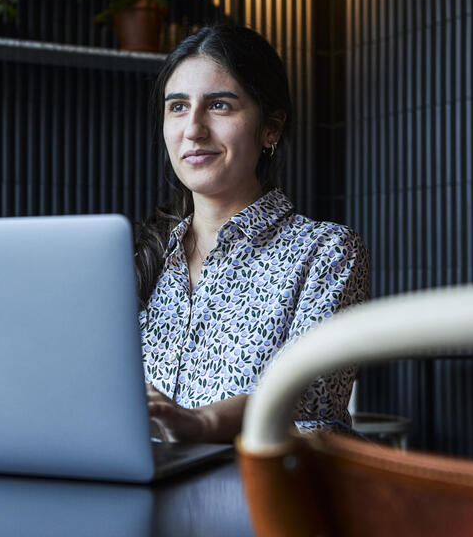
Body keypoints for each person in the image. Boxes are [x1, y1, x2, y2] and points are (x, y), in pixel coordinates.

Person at [135, 23, 370, 443]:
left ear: (271, 129)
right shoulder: (136, 257)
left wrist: (201, 423)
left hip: (259, 500)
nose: (193, 129)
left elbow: (311, 412)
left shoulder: (324, 252)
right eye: (177, 107)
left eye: (219, 105)